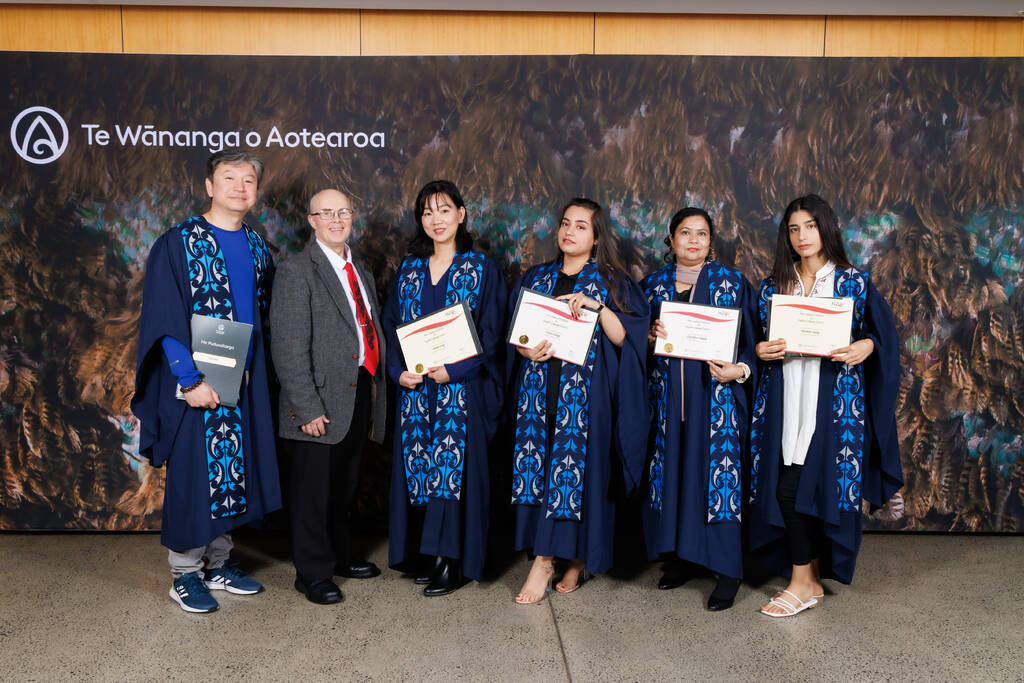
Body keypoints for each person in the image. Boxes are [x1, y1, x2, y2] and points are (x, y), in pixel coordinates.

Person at [132, 150, 281, 613]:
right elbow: (164, 319)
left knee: (234, 470)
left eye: (249, 179)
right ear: (209, 186)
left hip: (245, 381)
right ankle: (184, 573)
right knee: (196, 475)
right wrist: (188, 380)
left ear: (256, 190)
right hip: (197, 383)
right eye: (229, 177)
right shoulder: (178, 243)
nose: (240, 186)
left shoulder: (258, 247)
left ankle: (219, 564)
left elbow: (264, 318)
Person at [749, 194, 902, 617]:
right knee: (790, 487)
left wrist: (864, 346)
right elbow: (752, 343)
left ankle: (802, 583)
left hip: (835, 402)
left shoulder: (854, 281)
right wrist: (760, 349)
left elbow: (883, 338)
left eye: (810, 226)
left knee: (802, 489)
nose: (802, 236)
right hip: (784, 400)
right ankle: (810, 580)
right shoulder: (772, 287)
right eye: (794, 228)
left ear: (826, 228)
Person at [510, 198, 649, 605]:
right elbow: (517, 335)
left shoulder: (612, 281)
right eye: (565, 223)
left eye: (581, 226)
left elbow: (629, 339)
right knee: (543, 472)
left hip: (586, 398)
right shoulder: (537, 277)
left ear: (596, 236)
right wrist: (524, 351)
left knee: (578, 477)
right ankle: (571, 558)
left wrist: (598, 306)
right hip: (539, 391)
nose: (570, 231)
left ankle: (545, 561)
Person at [382, 179, 507, 596]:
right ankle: (427, 553)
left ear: (461, 213)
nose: (437, 219)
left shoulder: (480, 269)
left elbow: (491, 334)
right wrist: (398, 371)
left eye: (444, 209)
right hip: (417, 393)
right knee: (419, 470)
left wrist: (455, 371)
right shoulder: (409, 270)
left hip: (459, 392)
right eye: (427, 212)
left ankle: (451, 560)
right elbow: (391, 328)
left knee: (453, 474)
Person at [269, 189, 387, 605]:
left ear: (352, 216)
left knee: (344, 485)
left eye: (343, 212)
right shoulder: (297, 272)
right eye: (326, 213)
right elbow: (287, 347)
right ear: (311, 220)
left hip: (356, 391)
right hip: (316, 400)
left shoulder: (362, 271)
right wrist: (307, 406)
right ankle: (313, 573)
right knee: (313, 493)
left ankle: (339, 555)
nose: (336, 219)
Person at [641, 207, 758, 611]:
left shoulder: (732, 283)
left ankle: (728, 571)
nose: (694, 241)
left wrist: (739, 371)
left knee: (717, 486)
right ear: (671, 239)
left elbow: (752, 346)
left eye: (702, 234)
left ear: (711, 242)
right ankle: (683, 559)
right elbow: (633, 346)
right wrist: (648, 333)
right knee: (674, 481)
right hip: (667, 407)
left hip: (717, 404)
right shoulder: (652, 286)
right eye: (685, 233)